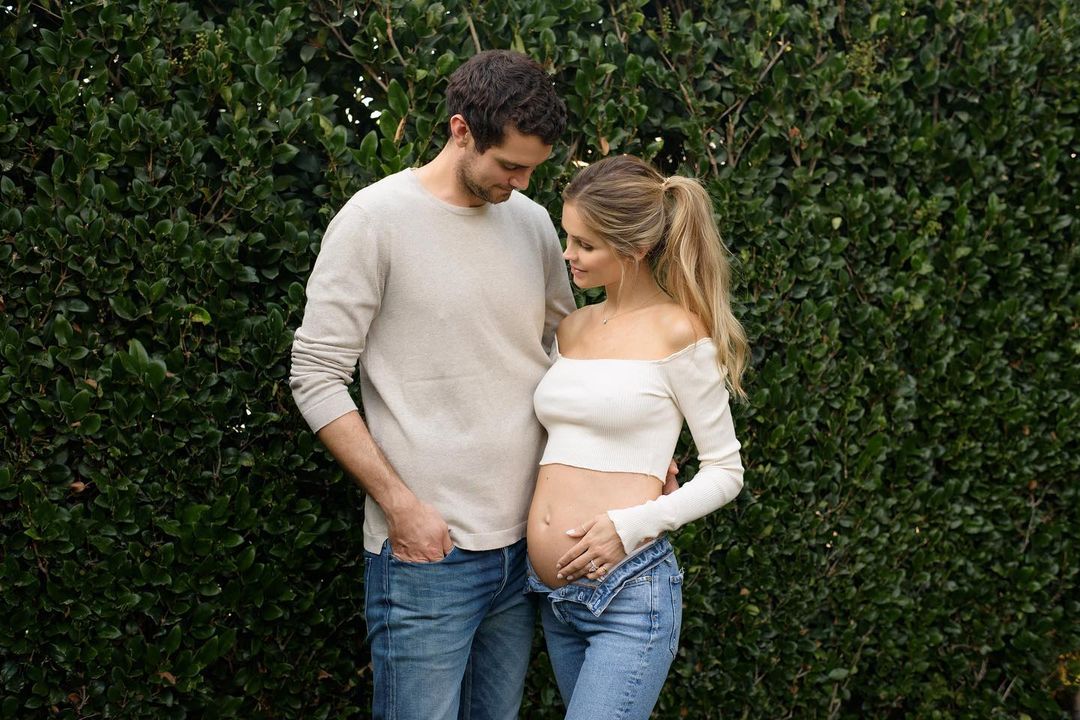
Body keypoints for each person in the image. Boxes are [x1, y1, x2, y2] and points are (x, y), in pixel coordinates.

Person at [289, 50, 574, 720]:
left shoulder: (532, 223)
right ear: (460, 130)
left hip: (525, 546)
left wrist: (630, 456)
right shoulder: (374, 219)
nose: (522, 182)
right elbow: (315, 375)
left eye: (533, 169)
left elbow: (570, 353)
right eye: (510, 165)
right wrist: (401, 507)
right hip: (428, 555)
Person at [525, 154, 749, 719]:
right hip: (554, 597)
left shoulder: (679, 331)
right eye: (567, 237)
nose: (568, 254)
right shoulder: (571, 328)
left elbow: (726, 471)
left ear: (636, 248)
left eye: (585, 244)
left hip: (627, 592)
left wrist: (631, 525)